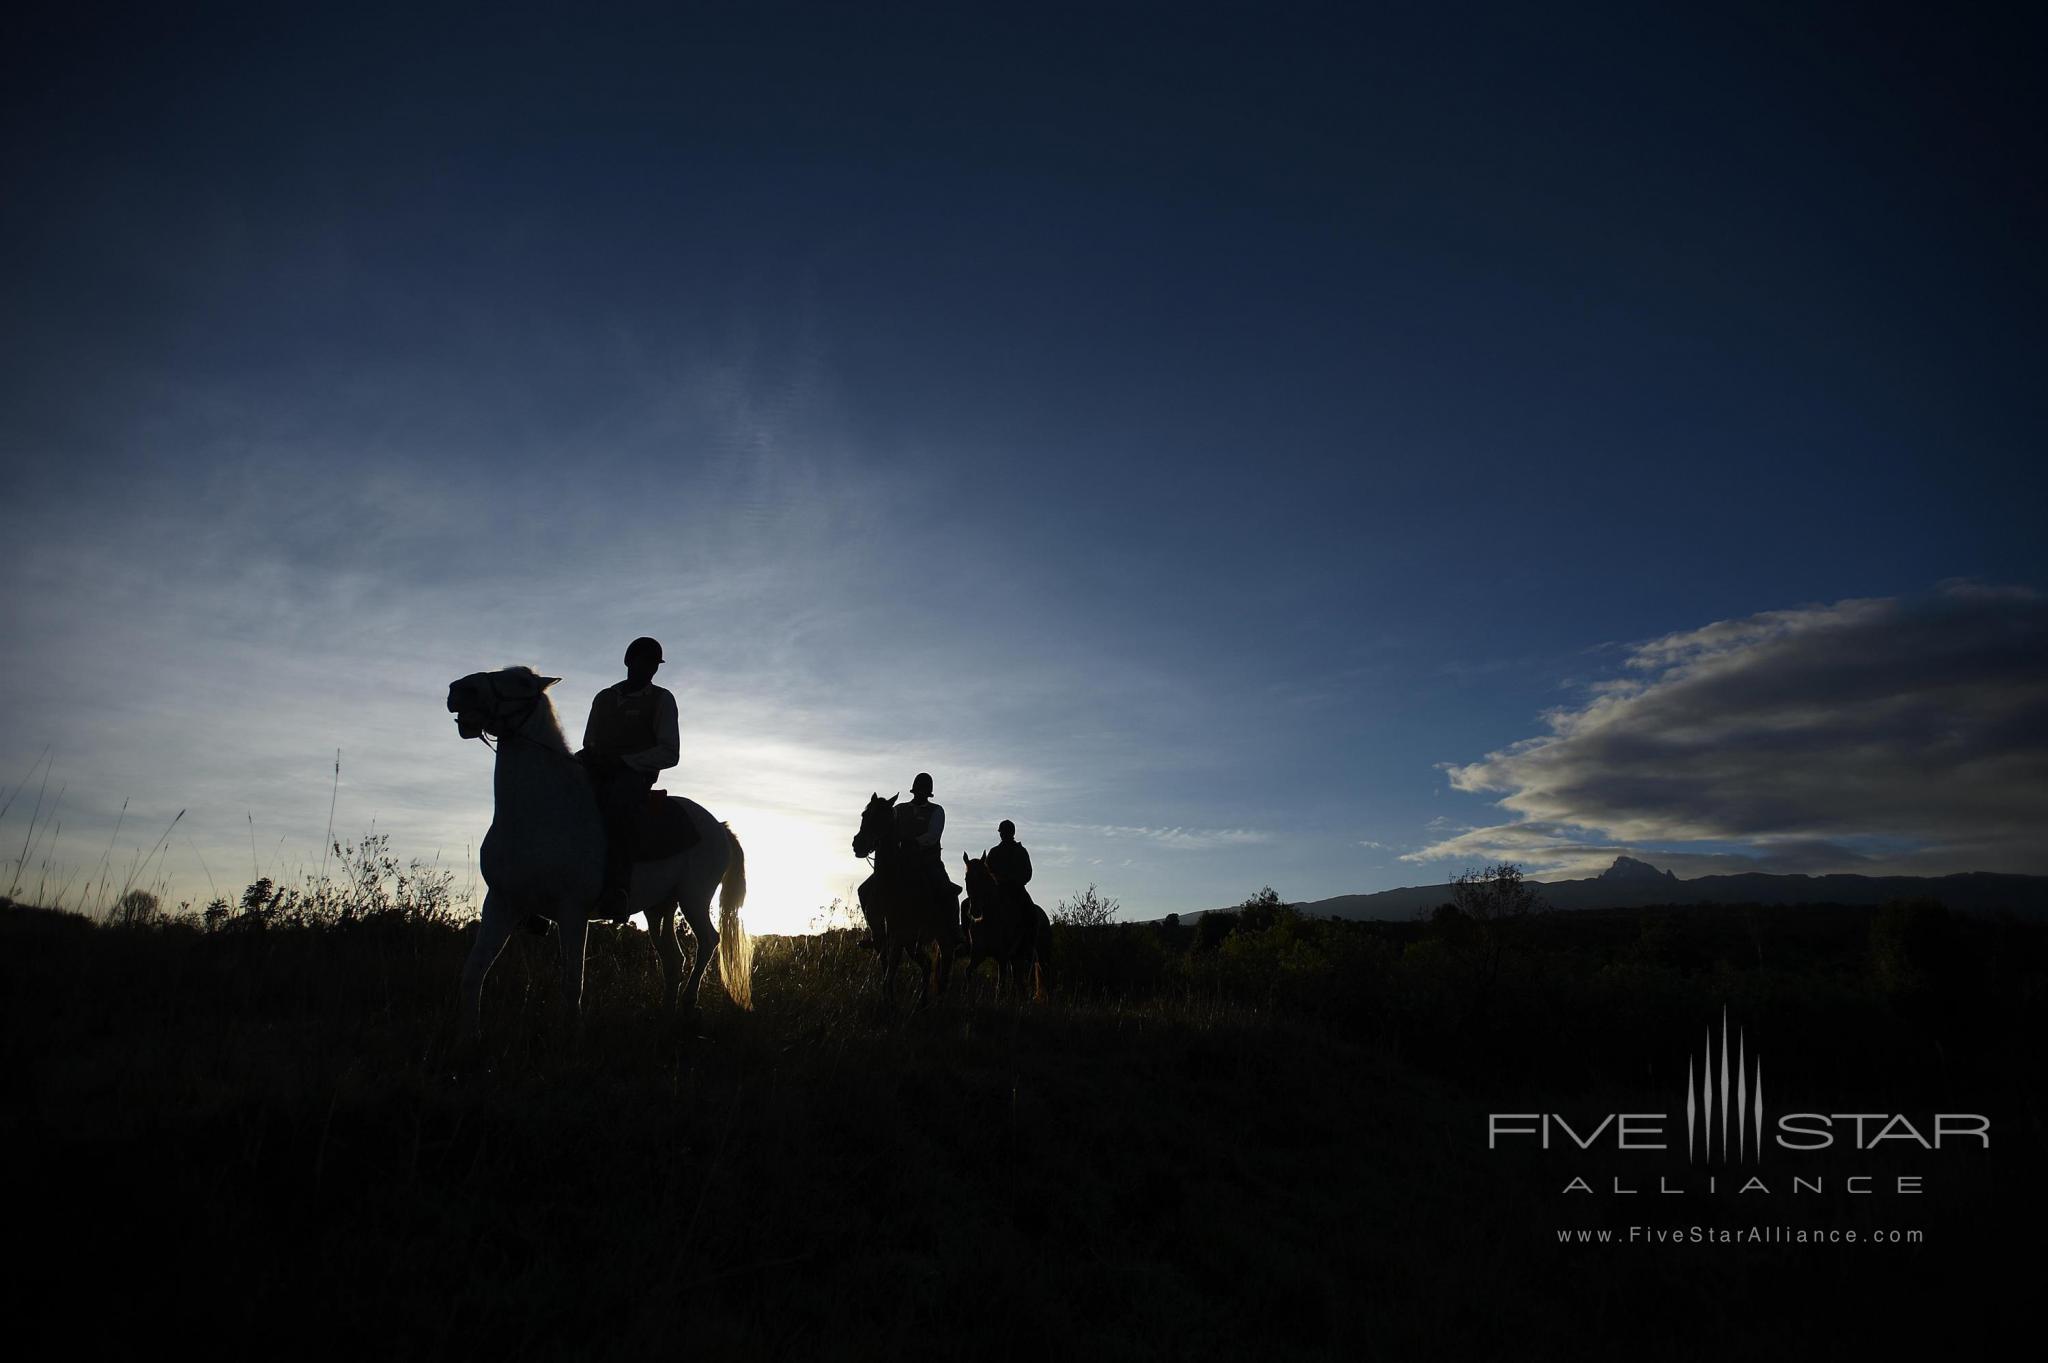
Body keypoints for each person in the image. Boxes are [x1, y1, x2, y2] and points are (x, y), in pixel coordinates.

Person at [579, 636, 679, 919]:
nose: (648, 668)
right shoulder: (604, 698)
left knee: (619, 808)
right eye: (643, 661)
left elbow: (670, 752)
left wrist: (625, 762)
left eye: (653, 664)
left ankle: (618, 891)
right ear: (628, 661)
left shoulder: (662, 700)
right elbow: (590, 741)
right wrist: (592, 758)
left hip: (633, 777)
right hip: (597, 769)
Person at [896, 771, 961, 942]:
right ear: (914, 790)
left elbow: (933, 836)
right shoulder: (899, 809)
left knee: (947, 891)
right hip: (901, 861)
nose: (921, 793)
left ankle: (954, 933)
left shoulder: (937, 811)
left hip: (928, 861)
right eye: (919, 790)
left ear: (928, 792)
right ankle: (877, 933)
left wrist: (913, 842)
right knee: (866, 889)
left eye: (924, 790)